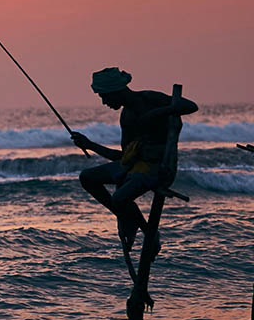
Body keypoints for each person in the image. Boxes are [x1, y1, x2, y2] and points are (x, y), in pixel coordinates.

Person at [70, 67, 197, 252]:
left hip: (158, 168)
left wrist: (156, 113)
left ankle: (148, 232)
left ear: (115, 91)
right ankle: (130, 220)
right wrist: (90, 145)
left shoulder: (150, 98)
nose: (104, 102)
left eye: (104, 96)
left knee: (119, 198)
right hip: (135, 166)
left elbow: (191, 106)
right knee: (87, 177)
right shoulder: (126, 116)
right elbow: (123, 157)